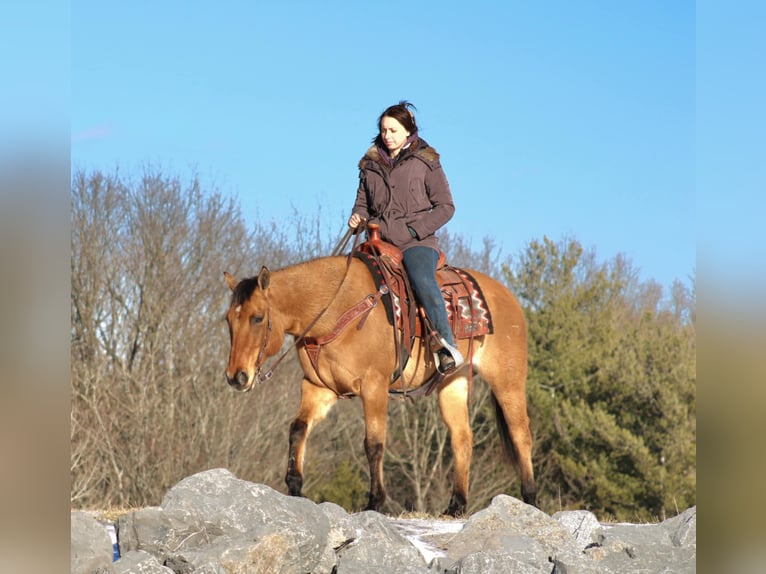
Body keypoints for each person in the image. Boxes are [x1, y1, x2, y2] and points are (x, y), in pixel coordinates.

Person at [348, 101, 464, 374]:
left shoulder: (427, 161)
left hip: (417, 243)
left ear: (408, 130)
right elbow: (362, 204)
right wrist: (357, 218)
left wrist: (414, 230)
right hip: (377, 242)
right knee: (349, 278)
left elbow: (446, 207)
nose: (387, 135)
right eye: (383, 130)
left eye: (393, 130)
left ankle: (446, 345)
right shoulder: (369, 165)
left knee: (420, 279)